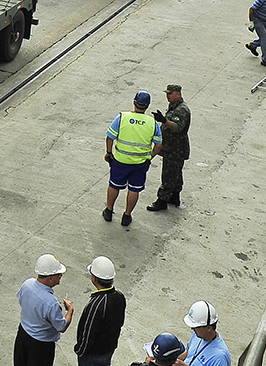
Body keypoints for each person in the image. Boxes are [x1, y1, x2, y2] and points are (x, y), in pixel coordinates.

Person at [103, 91, 162, 227]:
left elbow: (109, 137)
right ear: (147, 106)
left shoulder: (122, 117)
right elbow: (158, 145)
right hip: (140, 164)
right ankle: (127, 215)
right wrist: (149, 157)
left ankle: (109, 210)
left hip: (120, 161)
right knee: (134, 189)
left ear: (134, 102)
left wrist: (108, 153)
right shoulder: (153, 123)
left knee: (114, 185)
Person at [16, 253, 74, 366]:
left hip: (23, 335)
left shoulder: (27, 284)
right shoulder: (51, 303)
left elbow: (21, 301)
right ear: (50, 278)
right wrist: (70, 311)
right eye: (59, 274)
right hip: (41, 346)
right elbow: (61, 327)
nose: (60, 276)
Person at [73, 255, 125, 366]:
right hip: (108, 350)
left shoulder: (96, 305)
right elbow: (120, 322)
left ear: (94, 279)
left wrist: (79, 350)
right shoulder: (119, 296)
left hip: (92, 356)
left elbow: (88, 334)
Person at [146, 84, 191, 211]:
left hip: (175, 149)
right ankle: (174, 196)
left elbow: (177, 127)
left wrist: (164, 121)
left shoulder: (181, 110)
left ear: (178, 94)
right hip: (173, 147)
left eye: (170, 94)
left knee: (169, 174)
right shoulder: (175, 107)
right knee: (176, 173)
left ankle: (162, 201)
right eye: (167, 93)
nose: (168, 96)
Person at [182, 301, 230, 366]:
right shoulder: (198, 335)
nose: (192, 329)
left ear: (208, 328)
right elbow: (188, 353)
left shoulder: (219, 357)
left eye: (196, 327)